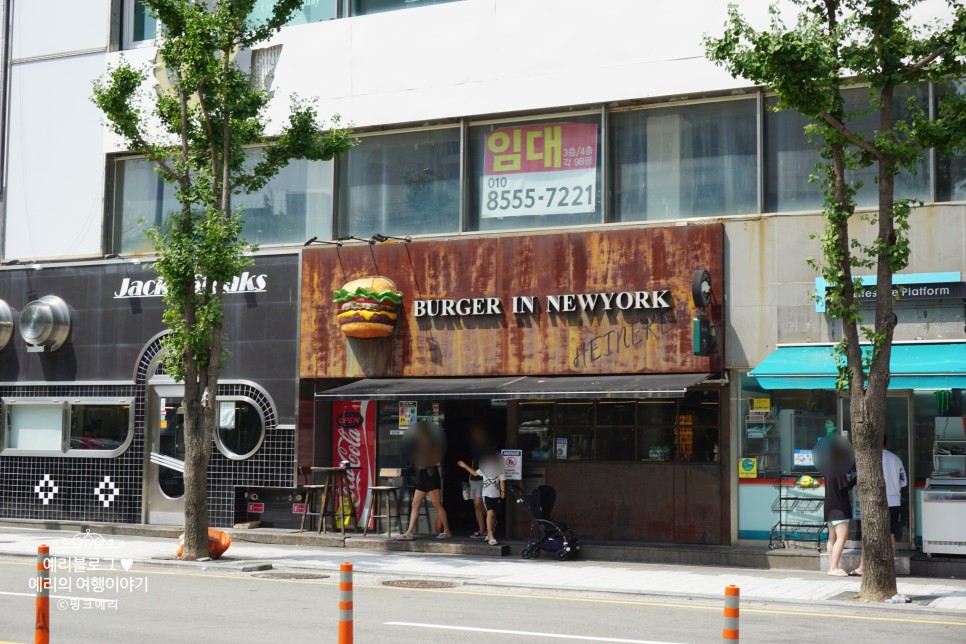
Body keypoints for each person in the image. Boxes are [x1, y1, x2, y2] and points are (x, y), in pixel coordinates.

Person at [853, 435, 907, 576]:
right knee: (891, 535)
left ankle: (862, 567)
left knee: (870, 534)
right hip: (894, 501)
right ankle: (890, 567)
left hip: (875, 501)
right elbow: (903, 482)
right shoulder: (896, 459)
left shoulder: (869, 459)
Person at [397, 422, 452, 540]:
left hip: (430, 475)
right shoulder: (419, 445)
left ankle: (447, 530)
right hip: (421, 475)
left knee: (437, 504)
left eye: (421, 434)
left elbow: (438, 462)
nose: (419, 436)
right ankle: (409, 532)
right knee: (415, 504)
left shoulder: (433, 445)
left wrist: (427, 462)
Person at [457, 452, 505, 546]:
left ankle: (489, 533)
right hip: (486, 494)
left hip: (496, 495)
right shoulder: (484, 469)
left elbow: (502, 482)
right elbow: (474, 473)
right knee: (490, 513)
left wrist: (503, 491)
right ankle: (490, 534)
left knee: (493, 513)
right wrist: (465, 466)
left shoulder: (500, 470)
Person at [824, 465, 856, 576]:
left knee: (831, 538)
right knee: (841, 538)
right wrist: (855, 480)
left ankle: (831, 567)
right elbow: (844, 487)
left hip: (829, 507)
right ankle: (834, 567)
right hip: (840, 507)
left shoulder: (827, 469)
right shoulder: (838, 469)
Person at [464, 422, 493, 539]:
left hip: (485, 478)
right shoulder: (475, 447)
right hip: (474, 477)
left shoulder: (488, 447)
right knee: (476, 504)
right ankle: (482, 529)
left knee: (484, 504)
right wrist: (470, 476)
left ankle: (491, 524)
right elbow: (473, 461)